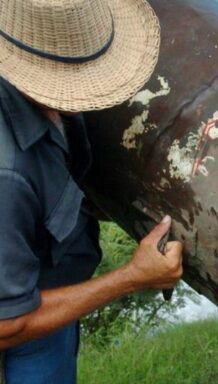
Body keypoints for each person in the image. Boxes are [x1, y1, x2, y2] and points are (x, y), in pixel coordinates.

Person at [0, 1, 183, 383]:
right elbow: (9, 324)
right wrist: (132, 277)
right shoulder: (8, 174)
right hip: (22, 319)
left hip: (49, 287)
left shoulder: (41, 102)